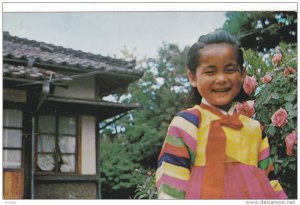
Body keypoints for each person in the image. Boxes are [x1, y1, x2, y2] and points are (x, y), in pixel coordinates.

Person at [155, 30, 287, 199]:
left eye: (230, 70)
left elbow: (271, 182)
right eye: (210, 72)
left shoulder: (254, 128)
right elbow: (171, 181)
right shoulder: (186, 123)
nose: (221, 79)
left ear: (242, 76)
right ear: (193, 77)